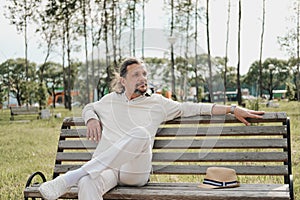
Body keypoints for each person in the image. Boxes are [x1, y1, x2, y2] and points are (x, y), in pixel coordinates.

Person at [39, 57, 264, 200]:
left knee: (141, 133)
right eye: (136, 75)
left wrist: (231, 109)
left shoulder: (158, 103)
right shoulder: (109, 100)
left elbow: (192, 107)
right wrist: (91, 119)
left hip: (134, 171)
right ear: (123, 81)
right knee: (88, 182)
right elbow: (89, 107)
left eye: (144, 74)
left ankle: (70, 178)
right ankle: (80, 177)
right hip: (108, 171)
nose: (142, 78)